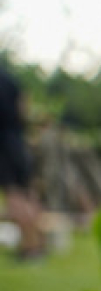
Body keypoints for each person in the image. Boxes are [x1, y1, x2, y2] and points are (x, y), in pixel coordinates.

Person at [0, 62, 44, 259]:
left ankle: (30, 248)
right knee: (28, 194)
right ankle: (37, 243)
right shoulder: (11, 79)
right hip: (18, 140)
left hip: (3, 144)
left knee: (15, 197)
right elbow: (24, 107)